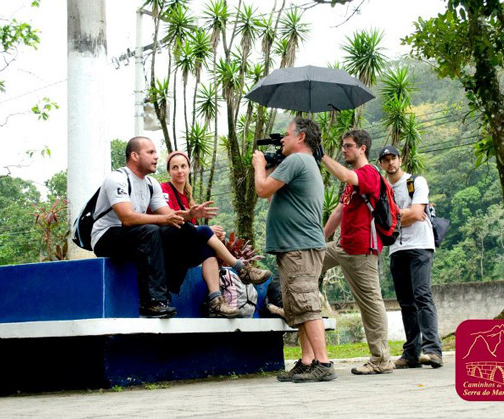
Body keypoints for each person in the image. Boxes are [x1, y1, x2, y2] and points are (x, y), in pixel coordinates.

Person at [92, 137, 269, 318]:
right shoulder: (118, 178)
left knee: (183, 232)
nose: (156, 157)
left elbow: (170, 217)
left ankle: (219, 295)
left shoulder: (151, 184)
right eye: (151, 152)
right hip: (107, 237)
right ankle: (153, 302)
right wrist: (171, 219)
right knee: (152, 230)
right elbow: (127, 218)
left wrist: (190, 216)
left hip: (137, 235)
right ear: (135, 156)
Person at [253, 117, 335, 383]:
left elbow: (263, 189)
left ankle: (323, 363)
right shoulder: (300, 163)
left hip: (300, 247)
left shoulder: (298, 160)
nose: (284, 139)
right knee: (299, 307)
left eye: (287, 135)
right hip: (295, 247)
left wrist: (258, 166)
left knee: (307, 304)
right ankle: (307, 361)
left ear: (300, 138)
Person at [319, 129, 394, 375]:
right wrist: (320, 239)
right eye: (342, 145)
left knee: (370, 303)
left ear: (362, 148)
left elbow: (346, 175)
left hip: (363, 250)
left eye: (348, 146)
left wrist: (321, 155)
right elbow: (339, 211)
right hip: (341, 246)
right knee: (305, 263)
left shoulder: (369, 173)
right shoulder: (350, 184)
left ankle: (381, 359)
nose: (343, 149)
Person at [161, 150, 271, 318]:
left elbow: (191, 232)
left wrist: (211, 236)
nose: (180, 171)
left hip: (182, 248)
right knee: (205, 230)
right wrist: (204, 231)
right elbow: (170, 220)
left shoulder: (188, 197)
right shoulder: (163, 190)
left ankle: (216, 301)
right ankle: (241, 269)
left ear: (189, 169)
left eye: (183, 166)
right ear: (169, 171)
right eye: (175, 167)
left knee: (208, 249)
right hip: (166, 244)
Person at [378, 145, 443, 368]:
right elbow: (382, 221)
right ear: (381, 164)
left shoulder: (416, 182)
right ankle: (412, 353)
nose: (390, 163)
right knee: (406, 303)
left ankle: (433, 350)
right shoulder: (383, 188)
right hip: (396, 249)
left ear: (400, 158)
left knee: (422, 295)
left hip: (420, 246)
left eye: (393, 158)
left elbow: (416, 214)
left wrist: (392, 219)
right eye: (385, 160)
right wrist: (399, 217)